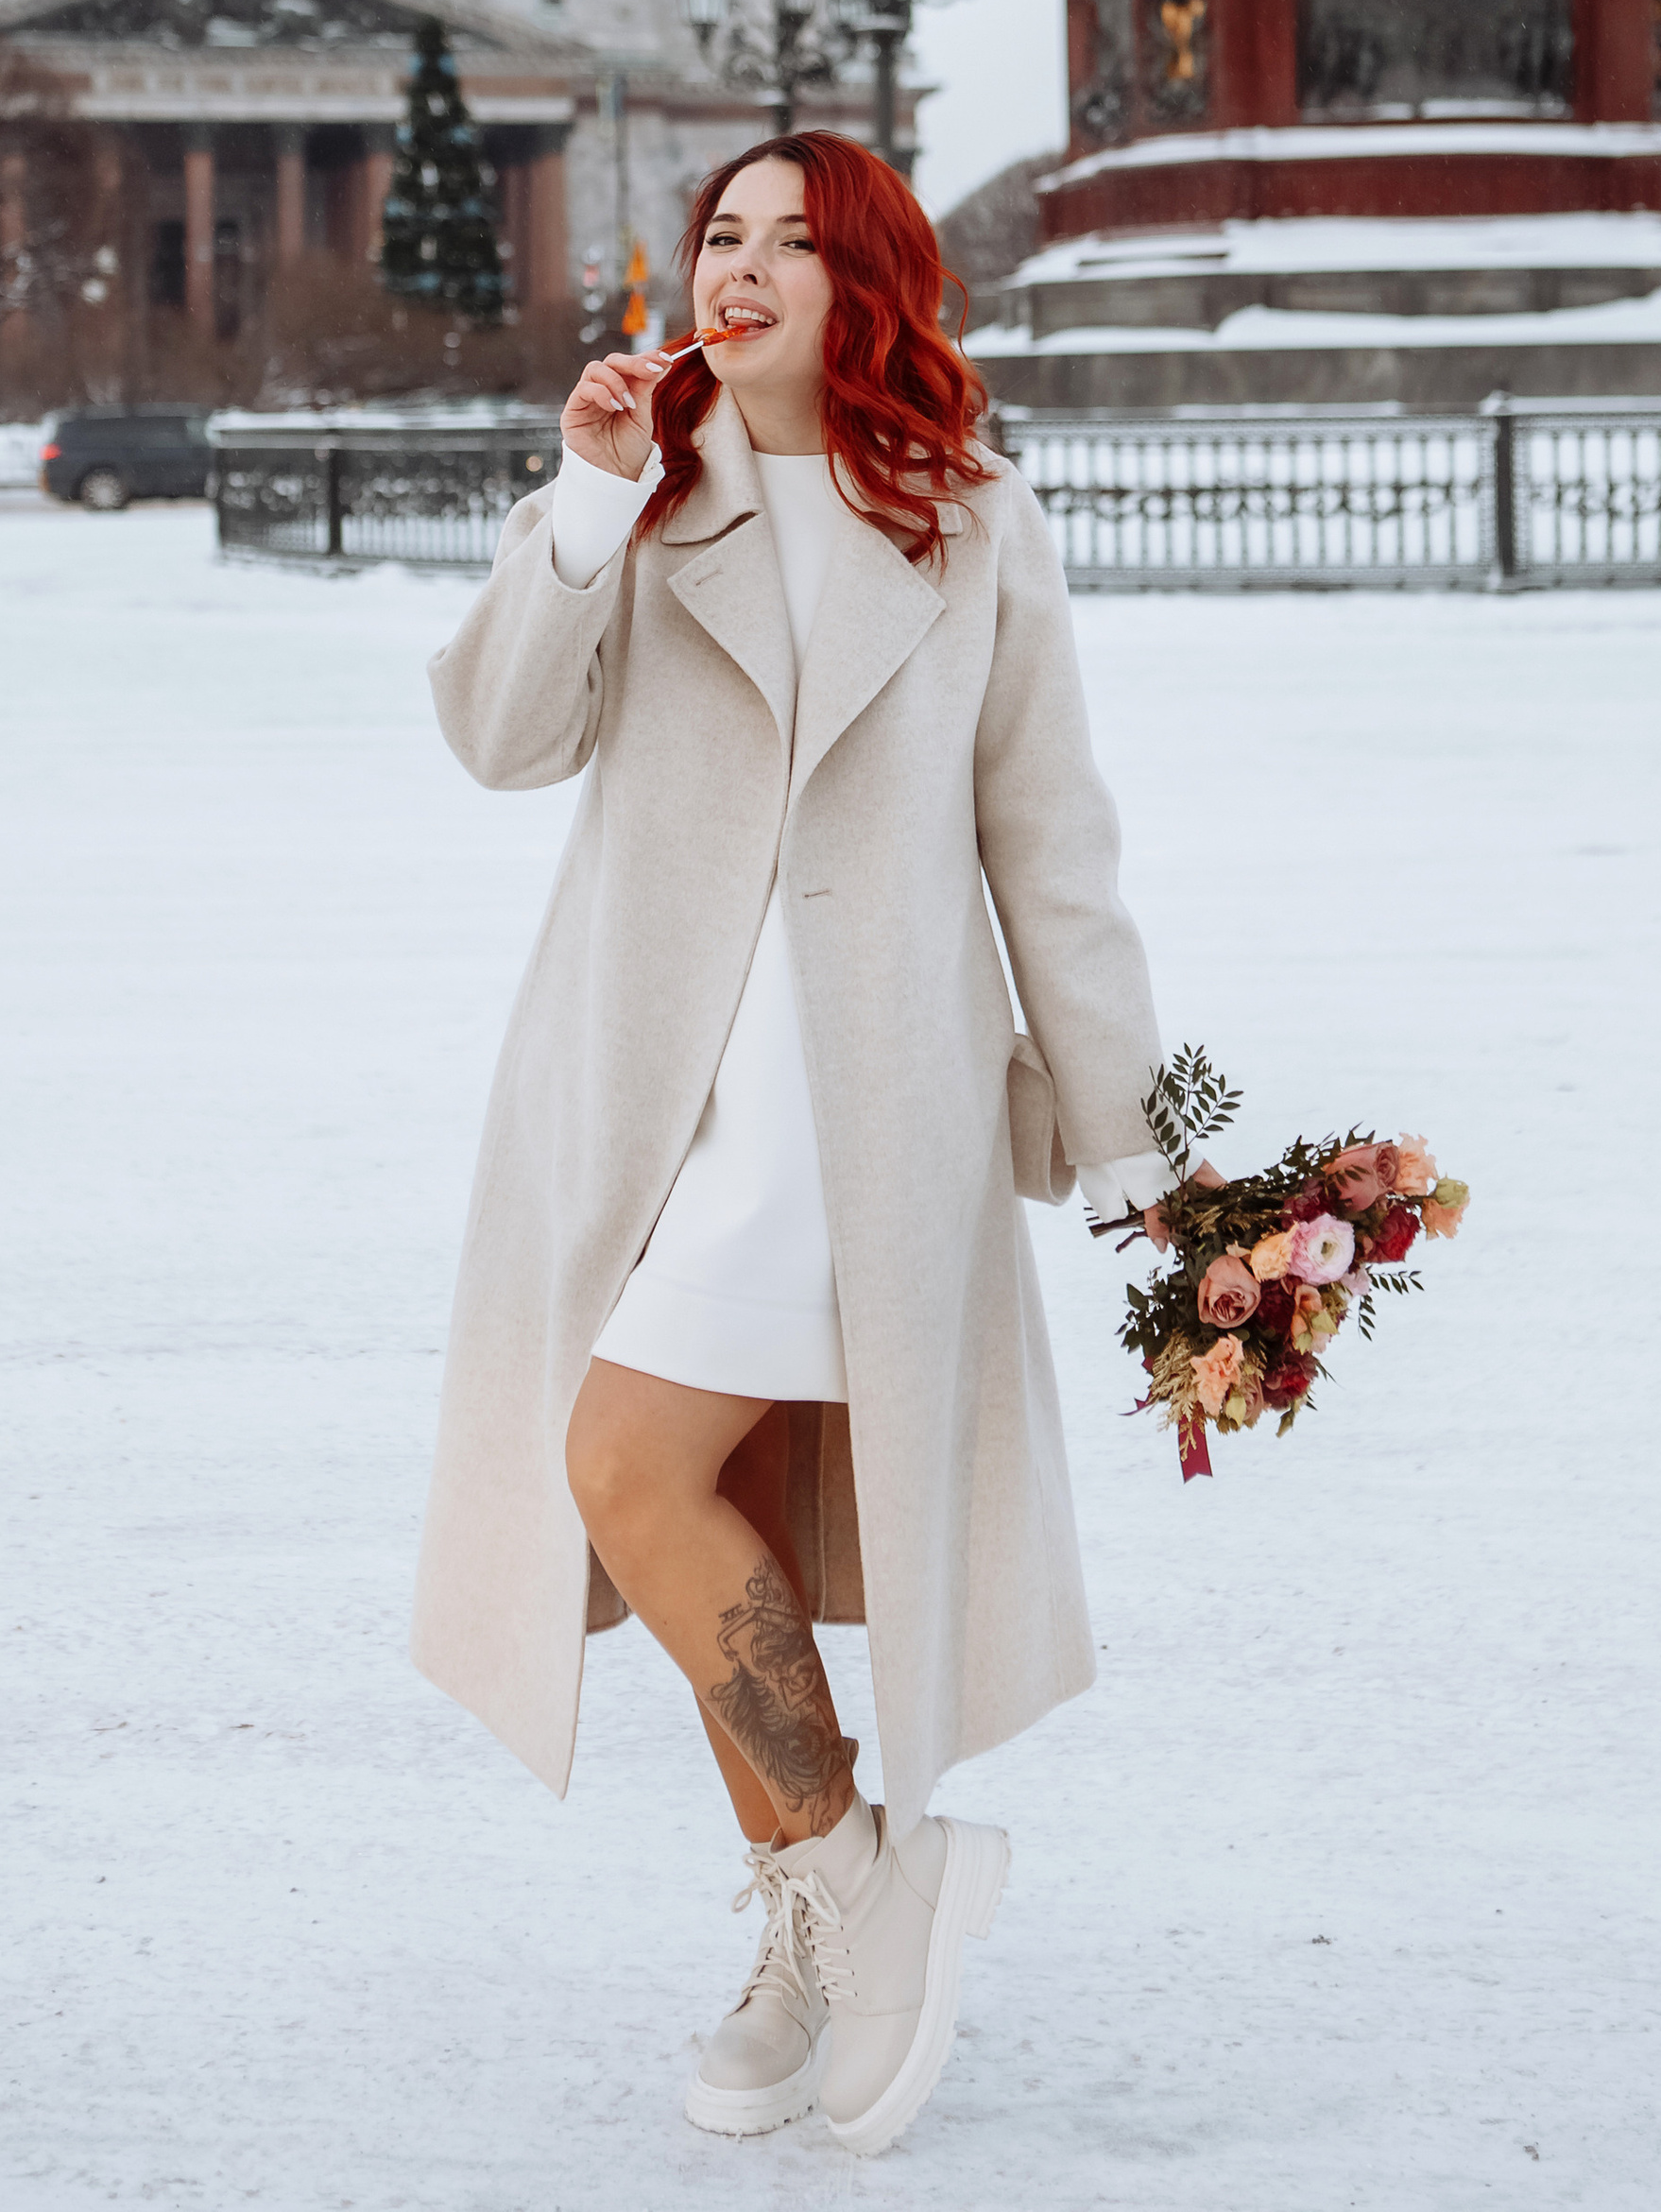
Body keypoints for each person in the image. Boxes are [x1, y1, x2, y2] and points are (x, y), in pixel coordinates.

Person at [416, 133, 1203, 2157]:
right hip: (647, 1112)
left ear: (869, 288)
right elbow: (496, 737)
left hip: (855, 1125)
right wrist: (583, 511)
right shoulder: (632, 496)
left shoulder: (968, 526)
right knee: (706, 1518)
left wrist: (1126, 1128)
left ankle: (849, 1878)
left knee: (625, 1466)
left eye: (790, 243)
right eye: (716, 237)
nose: (738, 271)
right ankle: (824, 1897)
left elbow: (1049, 837)